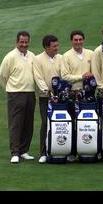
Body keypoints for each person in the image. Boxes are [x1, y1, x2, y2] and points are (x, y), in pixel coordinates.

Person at [0, 31, 36, 163]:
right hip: (15, 94)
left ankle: (24, 151)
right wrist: (9, 90)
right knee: (16, 124)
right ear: (17, 42)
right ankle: (15, 152)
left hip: (30, 93)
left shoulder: (32, 56)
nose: (24, 44)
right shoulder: (10, 57)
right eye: (22, 42)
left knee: (28, 123)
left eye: (26, 42)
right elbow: (2, 77)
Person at [62, 30, 94, 162]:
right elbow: (65, 76)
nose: (78, 42)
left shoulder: (90, 54)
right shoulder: (66, 56)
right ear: (71, 41)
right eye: (75, 40)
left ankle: (87, 150)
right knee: (72, 124)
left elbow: (94, 72)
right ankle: (72, 152)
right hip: (72, 94)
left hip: (88, 94)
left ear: (83, 40)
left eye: (80, 39)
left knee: (87, 124)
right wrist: (81, 76)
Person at [33, 35, 63, 164]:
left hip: (60, 98)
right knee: (46, 123)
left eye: (57, 45)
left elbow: (64, 75)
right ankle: (43, 153)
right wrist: (47, 91)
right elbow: (38, 78)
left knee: (61, 124)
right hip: (45, 98)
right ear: (46, 47)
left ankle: (62, 150)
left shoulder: (61, 58)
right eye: (54, 46)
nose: (56, 48)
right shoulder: (38, 59)